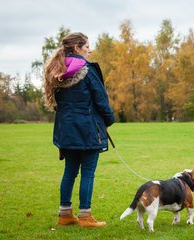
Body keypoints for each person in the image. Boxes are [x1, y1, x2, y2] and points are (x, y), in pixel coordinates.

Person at [44, 32, 115, 227]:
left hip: (66, 130)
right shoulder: (87, 70)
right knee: (88, 173)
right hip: (87, 129)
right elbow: (101, 100)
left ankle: (64, 214)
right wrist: (109, 119)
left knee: (70, 172)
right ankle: (85, 216)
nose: (89, 50)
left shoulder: (56, 70)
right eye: (86, 47)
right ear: (77, 48)